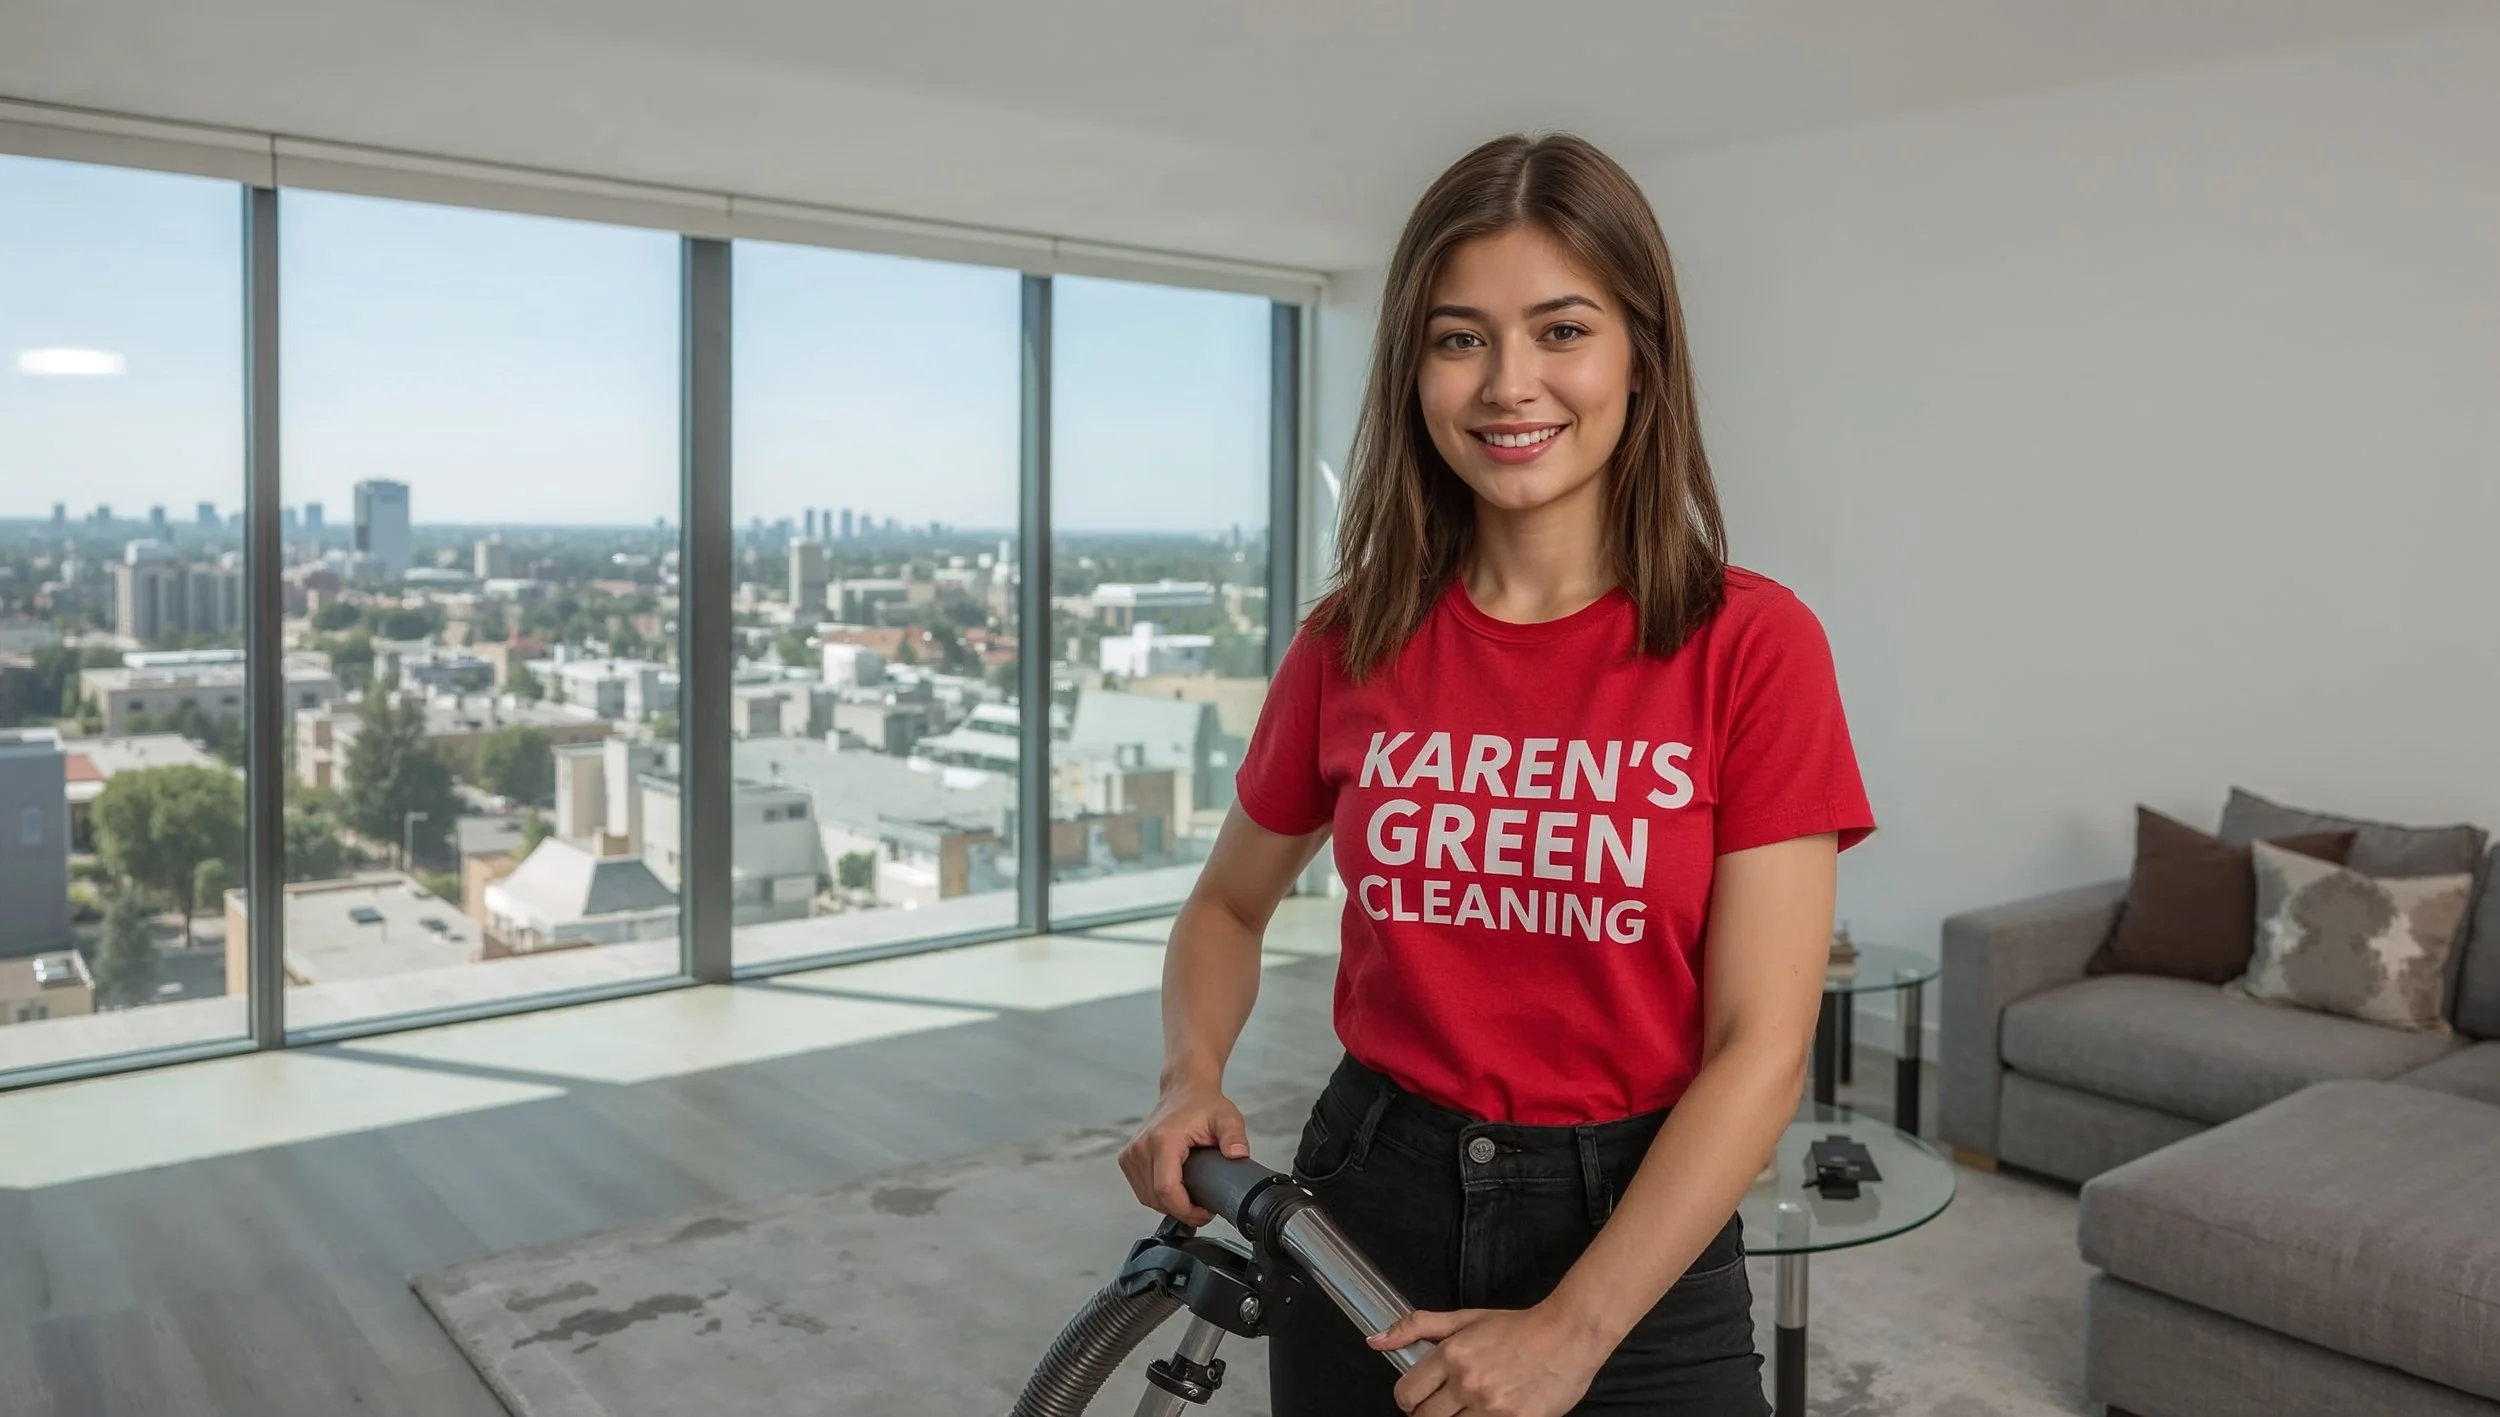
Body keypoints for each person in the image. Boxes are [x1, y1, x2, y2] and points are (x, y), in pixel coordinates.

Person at [1116, 131, 1874, 1417]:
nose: (1508, 384)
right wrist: (1191, 1073)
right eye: (1460, 337)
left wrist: (1572, 1332)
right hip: (1367, 1189)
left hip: (1638, 1219)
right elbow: (1227, 906)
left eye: (1561, 329)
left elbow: (1760, 1046)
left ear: (1640, 351)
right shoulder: (1349, 638)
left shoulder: (1751, 646)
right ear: (1415, 367)